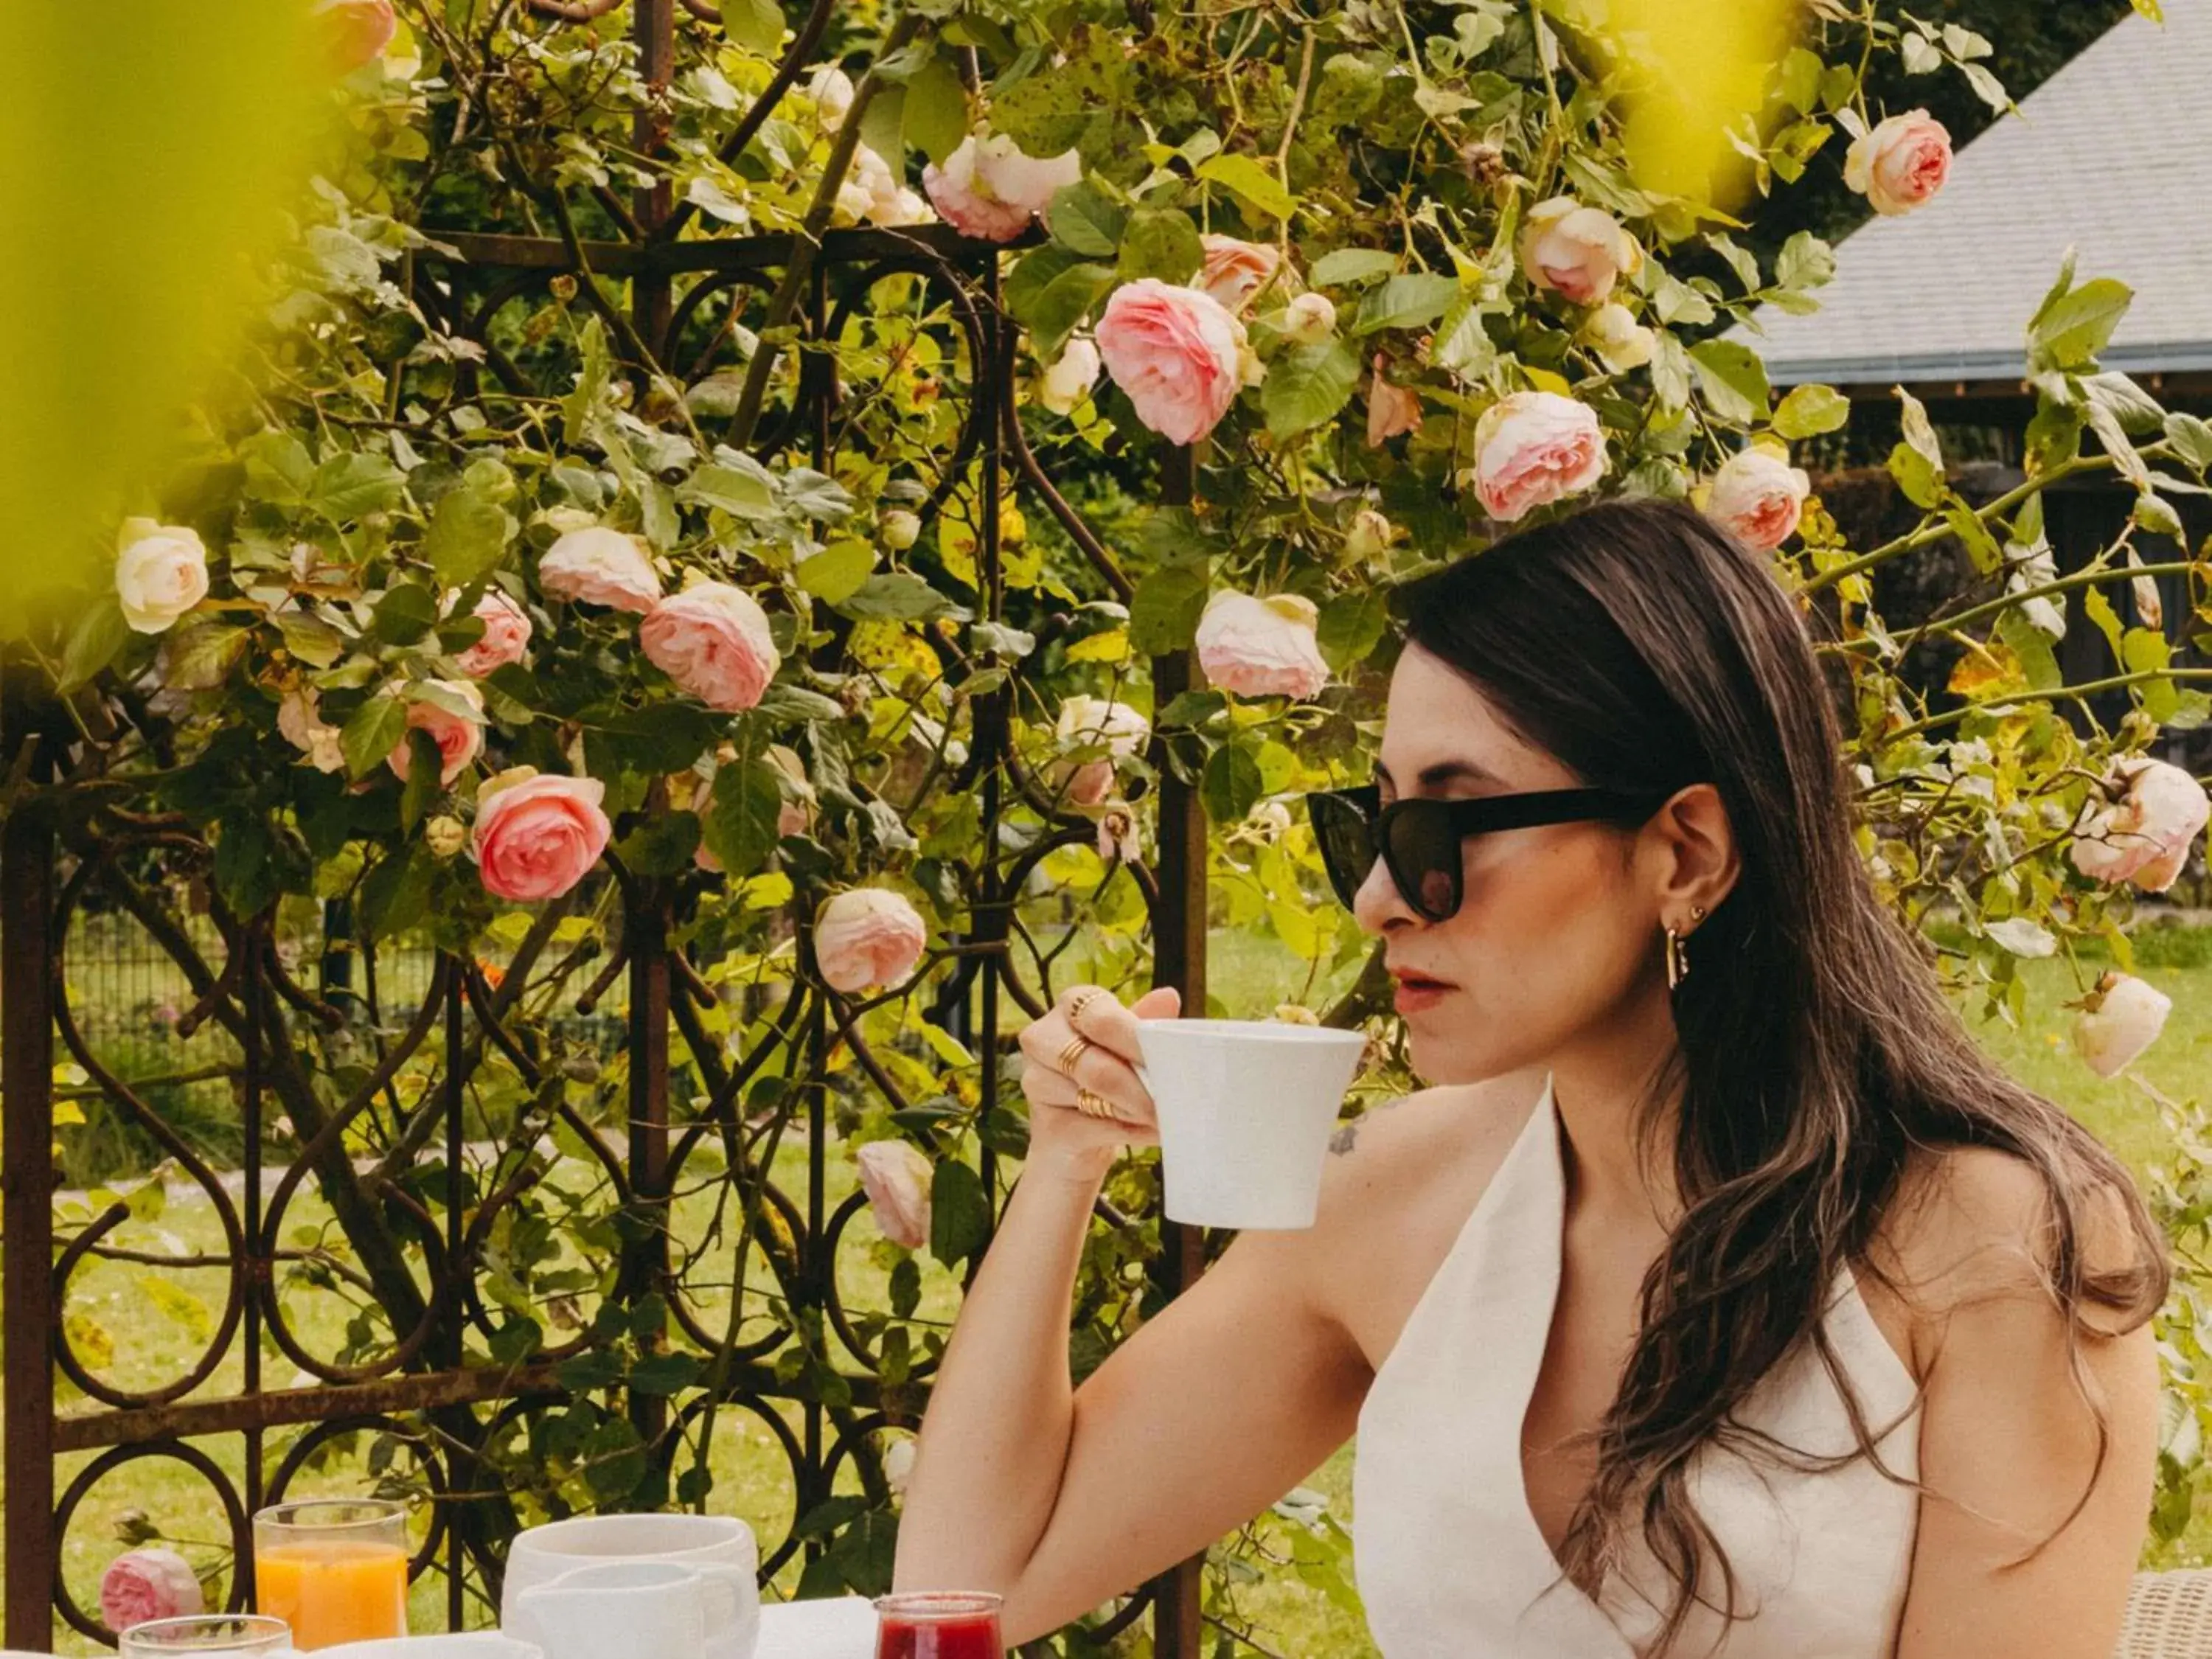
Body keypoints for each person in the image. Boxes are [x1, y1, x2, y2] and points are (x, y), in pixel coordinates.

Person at [891, 498, 2169, 1657]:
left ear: (1685, 852)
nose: (1379, 895)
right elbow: (968, 1586)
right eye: (1374, 819)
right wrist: (1067, 1160)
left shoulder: (1986, 1249)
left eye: (1444, 828)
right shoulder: (1387, 1201)